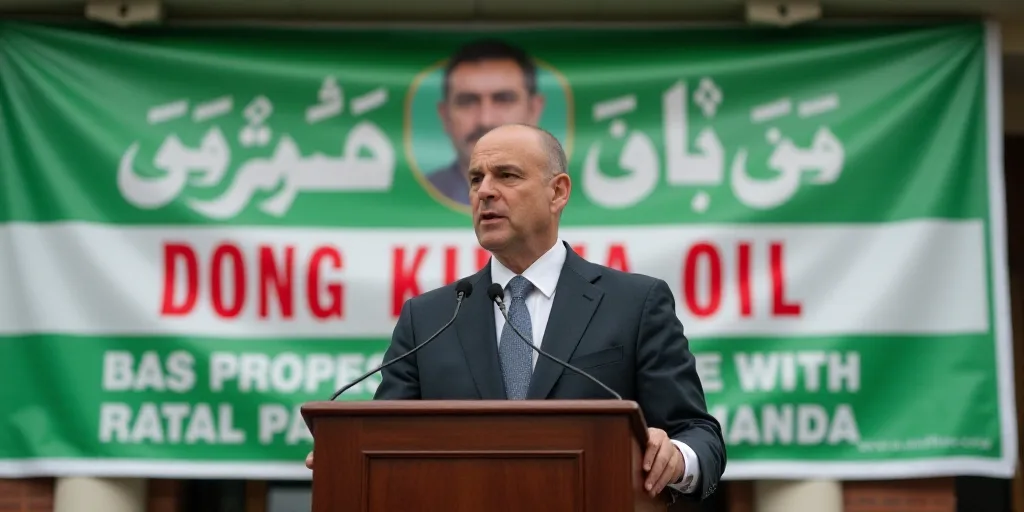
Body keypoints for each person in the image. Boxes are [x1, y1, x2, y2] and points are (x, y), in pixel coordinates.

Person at [308, 123, 726, 503]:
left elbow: (701, 436)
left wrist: (677, 456)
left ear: (558, 192)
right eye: (475, 179)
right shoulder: (429, 318)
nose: (485, 191)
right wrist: (348, 456)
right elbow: (385, 442)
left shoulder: (634, 303)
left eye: (506, 175)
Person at [425, 39, 546, 206]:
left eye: (503, 99)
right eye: (467, 101)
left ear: (534, 110)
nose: (485, 120)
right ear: (445, 116)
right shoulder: (423, 193)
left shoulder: (557, 195)